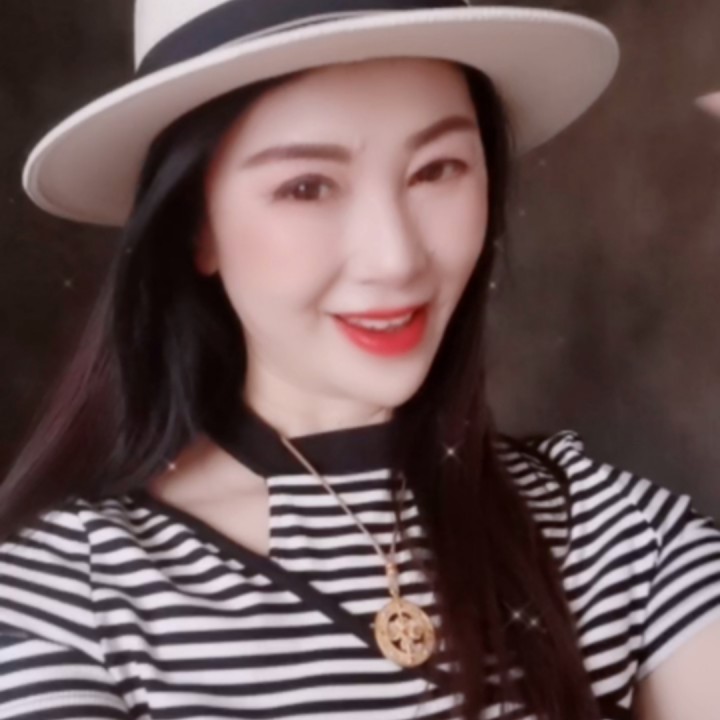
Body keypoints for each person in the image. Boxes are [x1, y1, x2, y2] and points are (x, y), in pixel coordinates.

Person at [2, 1, 719, 719]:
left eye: (436, 169)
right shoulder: (68, 597)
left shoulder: (619, 535)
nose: (395, 257)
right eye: (306, 187)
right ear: (197, 225)